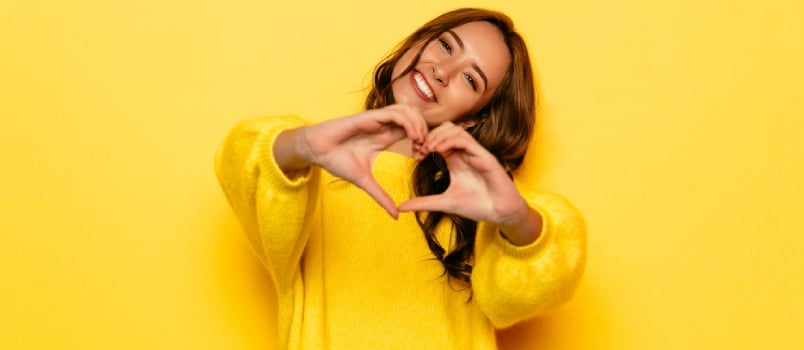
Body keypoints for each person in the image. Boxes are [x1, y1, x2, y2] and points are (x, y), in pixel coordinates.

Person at [215, 7, 586, 349]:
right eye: (444, 45)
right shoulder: (306, 175)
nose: (443, 70)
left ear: (471, 119)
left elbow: (548, 270)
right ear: (413, 45)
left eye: (470, 79)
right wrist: (305, 145)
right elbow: (242, 159)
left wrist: (517, 220)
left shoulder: (481, 205)